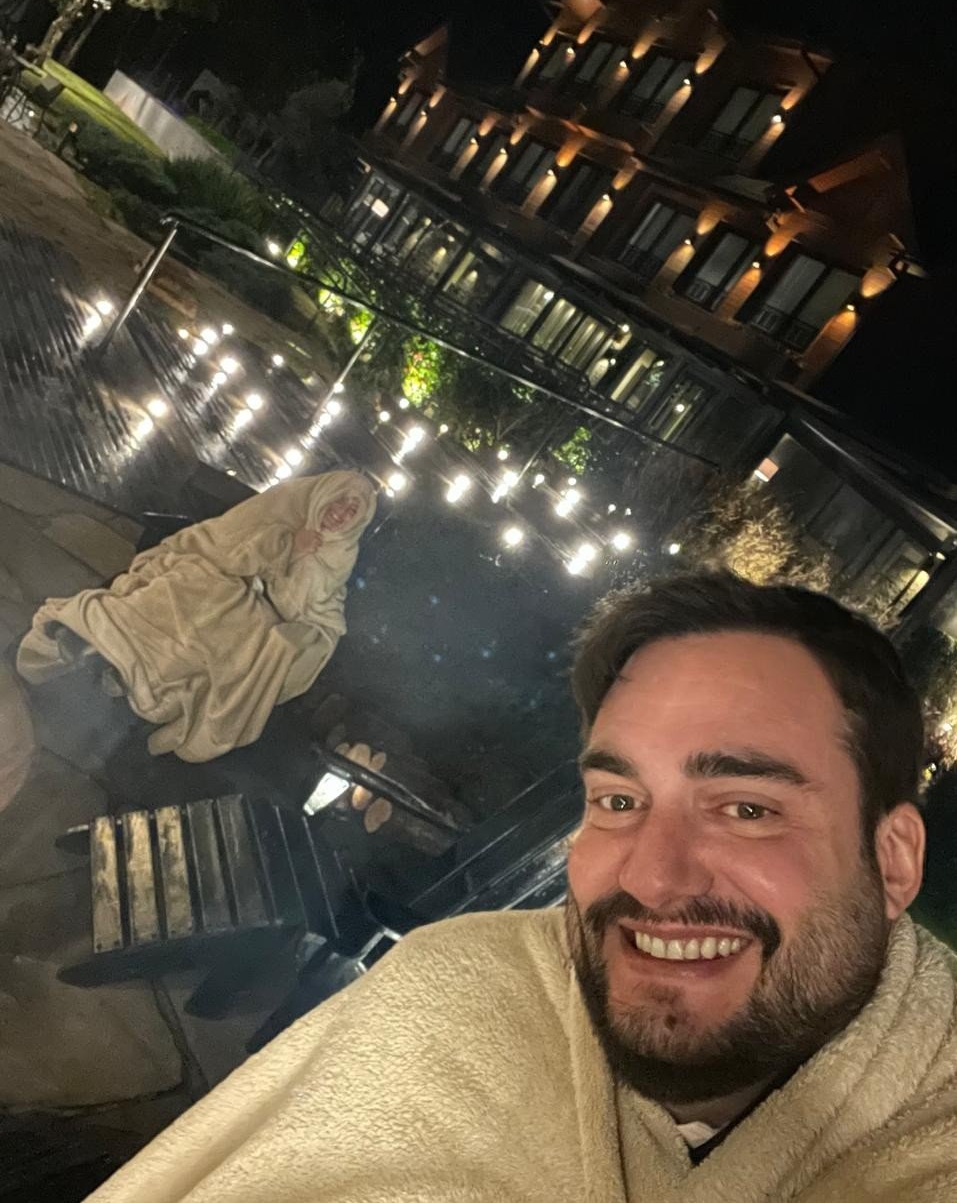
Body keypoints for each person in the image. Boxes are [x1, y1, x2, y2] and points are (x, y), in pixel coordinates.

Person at [85, 573, 957, 1201]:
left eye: (745, 807)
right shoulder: (456, 988)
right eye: (618, 799)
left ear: (891, 861)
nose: (651, 874)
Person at [17, 470, 376, 763]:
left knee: (227, 629)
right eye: (340, 500)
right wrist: (284, 545)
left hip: (257, 616)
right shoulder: (286, 504)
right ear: (324, 494)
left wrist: (295, 565)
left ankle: (135, 673)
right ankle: (101, 639)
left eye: (353, 511)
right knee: (188, 586)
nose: (341, 513)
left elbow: (312, 612)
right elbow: (226, 544)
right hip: (218, 575)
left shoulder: (339, 556)